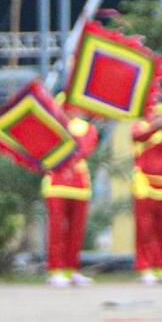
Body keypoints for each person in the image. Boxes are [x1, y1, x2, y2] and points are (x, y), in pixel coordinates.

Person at [43, 100, 99, 287]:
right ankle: (55, 269)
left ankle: (71, 268)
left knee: (76, 230)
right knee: (57, 229)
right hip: (56, 183)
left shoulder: (87, 128)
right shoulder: (50, 126)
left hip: (79, 183)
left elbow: (83, 149)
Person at [131, 99, 162, 285]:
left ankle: (160, 266)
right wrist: (156, 125)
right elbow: (139, 137)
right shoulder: (140, 127)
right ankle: (145, 267)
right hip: (144, 184)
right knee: (145, 229)